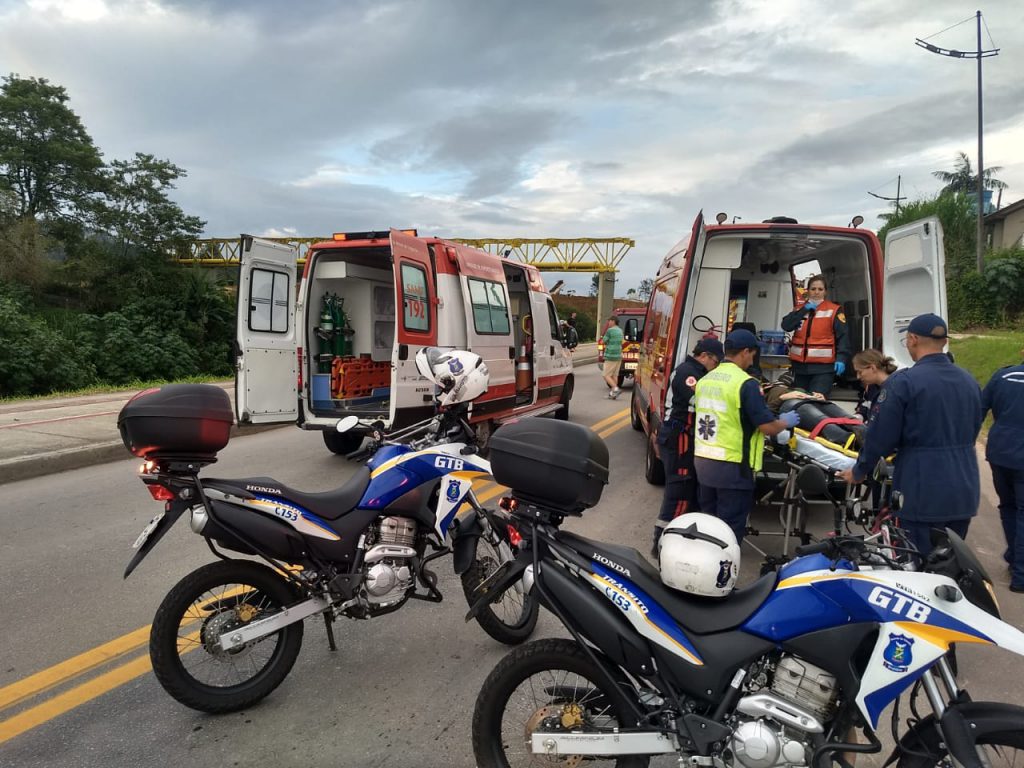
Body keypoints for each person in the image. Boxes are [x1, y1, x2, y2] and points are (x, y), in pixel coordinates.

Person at [839, 314, 982, 558]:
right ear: (944, 342)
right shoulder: (969, 380)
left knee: (915, 568)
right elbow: (974, 426)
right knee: (950, 566)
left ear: (913, 339)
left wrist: (860, 470)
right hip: (964, 490)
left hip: (922, 488)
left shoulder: (904, 383)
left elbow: (880, 437)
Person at [693, 329, 801, 543]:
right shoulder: (746, 383)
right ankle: (724, 573)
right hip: (732, 467)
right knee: (729, 532)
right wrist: (785, 422)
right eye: (752, 355)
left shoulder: (705, 379)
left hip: (703, 463)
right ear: (744, 352)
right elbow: (767, 427)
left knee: (709, 526)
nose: (752, 360)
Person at [652, 337, 725, 556]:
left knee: (691, 492)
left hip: (684, 437)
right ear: (705, 356)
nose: (716, 366)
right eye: (715, 361)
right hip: (678, 437)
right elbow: (701, 401)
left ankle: (684, 540)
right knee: (679, 492)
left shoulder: (698, 371)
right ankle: (661, 543)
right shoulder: (688, 374)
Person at [981, 351, 1024, 593]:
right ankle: (1020, 575)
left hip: (1000, 452)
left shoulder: (1003, 376)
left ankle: (1015, 557)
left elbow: (980, 408)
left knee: (1008, 506)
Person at [781, 274, 850, 397]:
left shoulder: (834, 310)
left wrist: (841, 359)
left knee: (816, 402)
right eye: (813, 289)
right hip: (800, 368)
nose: (816, 292)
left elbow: (843, 337)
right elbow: (786, 325)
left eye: (820, 289)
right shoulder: (799, 309)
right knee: (798, 401)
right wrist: (804, 310)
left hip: (823, 369)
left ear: (825, 292)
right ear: (807, 291)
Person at [853, 349, 897, 424]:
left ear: (872, 368)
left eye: (860, 372)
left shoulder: (896, 387)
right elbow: (863, 409)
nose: (858, 377)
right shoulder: (871, 388)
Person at [601, 316, 624, 398]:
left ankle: (615, 389)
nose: (608, 323)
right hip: (619, 355)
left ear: (613, 321)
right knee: (615, 375)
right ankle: (613, 394)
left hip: (611, 355)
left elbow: (604, 341)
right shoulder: (620, 330)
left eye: (609, 321)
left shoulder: (610, 331)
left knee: (606, 375)